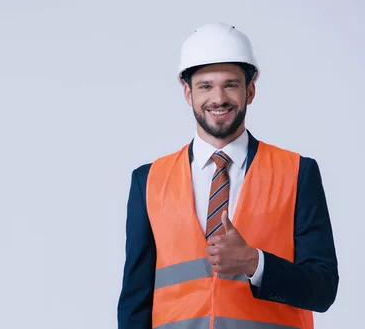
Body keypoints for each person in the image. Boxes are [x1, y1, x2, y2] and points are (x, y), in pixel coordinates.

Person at [117, 22, 339, 329]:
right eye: (205, 86)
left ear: (250, 90)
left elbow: (323, 289)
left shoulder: (297, 173)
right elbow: (134, 300)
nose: (218, 98)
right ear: (187, 93)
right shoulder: (149, 180)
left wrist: (254, 262)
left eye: (231, 85)